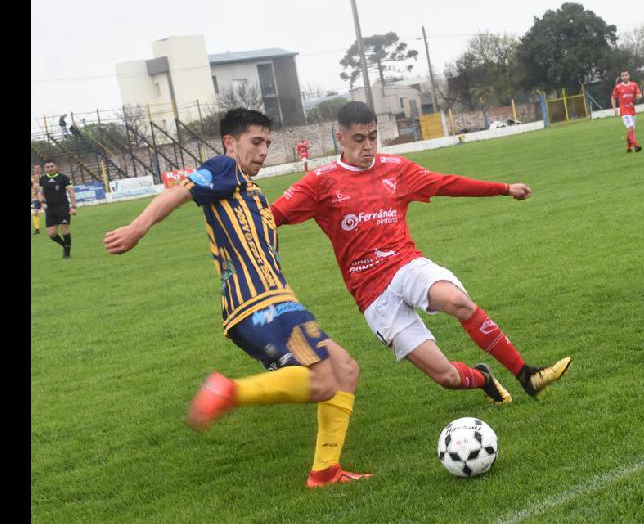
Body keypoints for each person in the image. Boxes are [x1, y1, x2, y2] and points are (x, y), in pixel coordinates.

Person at [103, 108, 372, 489]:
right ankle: (228, 392)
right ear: (231, 143)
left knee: (345, 370)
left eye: (267, 143)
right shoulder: (224, 168)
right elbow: (179, 192)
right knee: (325, 382)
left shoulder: (250, 189)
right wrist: (136, 227)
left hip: (277, 302)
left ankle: (325, 471)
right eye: (255, 142)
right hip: (260, 304)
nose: (263, 151)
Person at [270, 101, 572, 405]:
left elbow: (446, 184)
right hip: (371, 293)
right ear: (341, 138)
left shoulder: (395, 169)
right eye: (359, 139)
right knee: (447, 377)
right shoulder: (320, 182)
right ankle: (483, 378)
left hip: (405, 264)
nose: (368, 146)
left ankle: (527, 375)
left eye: (372, 137)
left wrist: (504, 188)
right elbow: (271, 217)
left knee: (457, 301)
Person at [38, 159, 77, 258]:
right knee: (51, 234)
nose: (50, 169)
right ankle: (65, 245)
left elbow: (71, 193)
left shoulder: (63, 178)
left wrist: (73, 207)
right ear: (45, 169)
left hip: (62, 207)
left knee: (64, 229)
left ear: (56, 167)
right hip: (50, 209)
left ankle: (67, 254)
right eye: (47, 167)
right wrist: (42, 202)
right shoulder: (42, 179)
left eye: (52, 166)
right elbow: (40, 193)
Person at [611, 70, 643, 153]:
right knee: (631, 128)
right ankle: (635, 146)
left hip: (632, 111)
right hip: (624, 111)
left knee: (631, 130)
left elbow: (638, 94)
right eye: (623, 75)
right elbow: (613, 97)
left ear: (629, 76)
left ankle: (628, 148)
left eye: (626, 75)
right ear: (621, 77)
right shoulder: (618, 87)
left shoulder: (634, 85)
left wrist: (639, 96)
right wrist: (614, 108)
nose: (624, 77)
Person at [31, 164, 43, 235]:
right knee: (35, 213)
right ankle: (37, 229)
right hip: (36, 198)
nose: (37, 169)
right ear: (33, 170)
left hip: (45, 197)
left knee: (51, 211)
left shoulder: (44, 177)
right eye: (35, 168)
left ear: (40, 169)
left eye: (38, 168)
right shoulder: (32, 178)